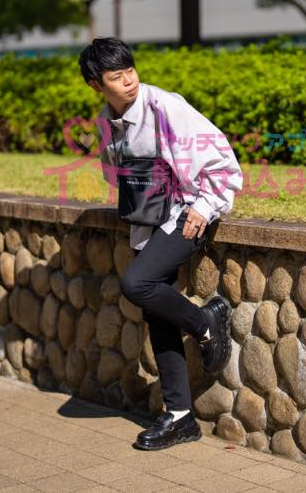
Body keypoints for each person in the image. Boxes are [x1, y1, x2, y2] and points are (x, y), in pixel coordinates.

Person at [79, 37, 242, 450]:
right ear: (97, 85)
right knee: (157, 314)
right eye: (117, 77)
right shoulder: (105, 121)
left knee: (138, 285)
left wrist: (205, 206)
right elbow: (111, 174)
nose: (129, 81)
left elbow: (221, 157)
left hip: (187, 215)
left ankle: (206, 322)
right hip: (146, 224)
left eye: (130, 71)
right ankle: (180, 418)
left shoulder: (165, 107)